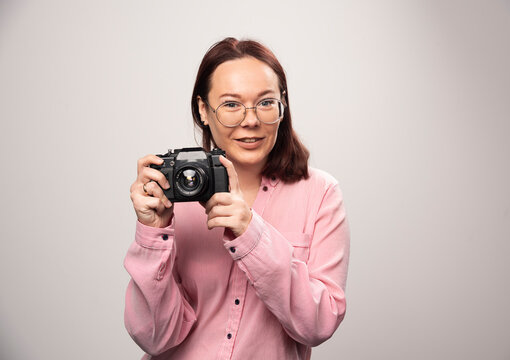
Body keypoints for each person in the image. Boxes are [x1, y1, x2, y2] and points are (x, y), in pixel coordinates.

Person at [125, 37, 350, 360]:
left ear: (282, 106)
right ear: (204, 110)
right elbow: (155, 337)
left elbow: (318, 324)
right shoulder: (174, 197)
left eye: (265, 102)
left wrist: (251, 232)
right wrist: (152, 234)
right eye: (231, 104)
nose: (251, 120)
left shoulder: (320, 193)